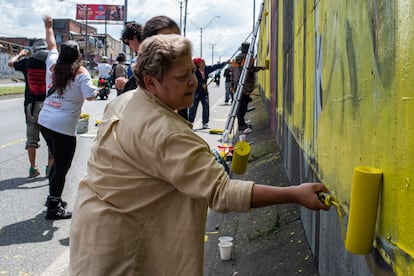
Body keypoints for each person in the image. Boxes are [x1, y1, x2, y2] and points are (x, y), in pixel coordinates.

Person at [69, 34, 330, 275]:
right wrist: (294, 194)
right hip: (126, 254)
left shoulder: (124, 101)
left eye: (193, 71)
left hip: (94, 235)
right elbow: (222, 193)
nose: (194, 81)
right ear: (151, 82)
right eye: (182, 77)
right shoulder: (167, 134)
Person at [39, 16, 98, 220]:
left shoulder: (53, 63)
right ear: (78, 55)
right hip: (63, 127)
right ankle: (54, 207)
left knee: (55, 162)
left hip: (45, 121)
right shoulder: (81, 73)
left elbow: (51, 43)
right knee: (61, 167)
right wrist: (98, 92)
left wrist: (48, 26)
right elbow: (90, 95)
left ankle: (52, 198)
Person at [7, 40, 54, 178]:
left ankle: (33, 168)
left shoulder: (27, 62)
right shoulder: (51, 62)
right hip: (49, 105)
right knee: (51, 138)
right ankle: (50, 168)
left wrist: (20, 54)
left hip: (31, 106)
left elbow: (10, 63)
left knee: (32, 138)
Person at [232, 42, 265, 134]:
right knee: (242, 106)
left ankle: (241, 123)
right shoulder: (246, 58)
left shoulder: (236, 59)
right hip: (245, 85)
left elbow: (233, 71)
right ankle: (241, 125)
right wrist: (261, 68)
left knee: (241, 105)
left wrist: (233, 85)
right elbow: (250, 69)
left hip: (238, 85)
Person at [188, 58, 228, 129]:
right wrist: (201, 84)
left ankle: (205, 123)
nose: (203, 63)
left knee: (206, 106)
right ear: (198, 64)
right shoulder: (194, 71)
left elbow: (215, 67)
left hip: (204, 92)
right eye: (201, 62)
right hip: (196, 92)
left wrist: (225, 63)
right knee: (193, 107)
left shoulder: (206, 69)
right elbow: (192, 81)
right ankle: (190, 122)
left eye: (203, 62)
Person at [114, 22, 143, 93]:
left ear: (134, 38)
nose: (129, 47)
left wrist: (126, 84)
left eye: (128, 43)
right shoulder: (140, 58)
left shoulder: (147, 57)